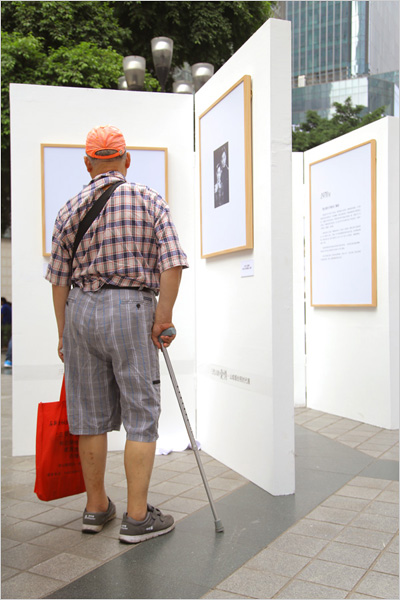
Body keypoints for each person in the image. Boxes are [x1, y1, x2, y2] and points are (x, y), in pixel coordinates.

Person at [46, 125, 189, 544]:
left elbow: (58, 279)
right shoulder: (146, 198)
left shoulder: (69, 207)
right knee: (141, 416)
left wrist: (62, 334)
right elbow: (173, 262)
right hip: (130, 309)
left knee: (89, 417)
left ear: (88, 163)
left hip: (80, 312)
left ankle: (95, 508)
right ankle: (138, 518)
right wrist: (162, 318)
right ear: (126, 160)